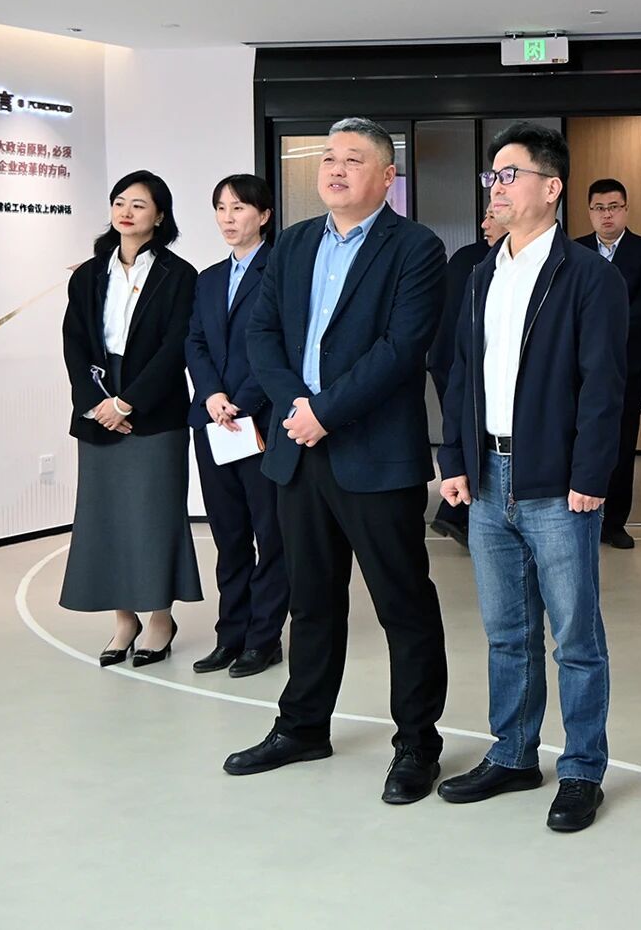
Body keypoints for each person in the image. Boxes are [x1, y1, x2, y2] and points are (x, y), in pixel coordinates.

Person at [223, 117, 451, 811]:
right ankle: (302, 727)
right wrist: (297, 407)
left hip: (374, 455)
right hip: (299, 450)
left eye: (353, 159)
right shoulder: (293, 244)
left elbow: (402, 347)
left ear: (387, 177)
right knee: (311, 601)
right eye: (328, 158)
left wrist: (326, 411)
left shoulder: (415, 247)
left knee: (402, 605)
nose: (336, 169)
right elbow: (261, 332)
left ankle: (417, 744)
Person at [436, 125, 627, 833]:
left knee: (575, 637)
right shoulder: (482, 273)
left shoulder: (589, 277)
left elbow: (603, 385)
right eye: (493, 175)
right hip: (486, 475)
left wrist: (590, 473)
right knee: (506, 631)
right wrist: (454, 460)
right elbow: (459, 372)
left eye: (510, 173)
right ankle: (513, 753)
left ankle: (581, 768)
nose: (497, 186)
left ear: (551, 187)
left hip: (555, 480)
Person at [59, 170, 202, 665]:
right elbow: (74, 343)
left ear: (159, 216)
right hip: (98, 404)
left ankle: (160, 617)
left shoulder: (179, 275)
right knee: (107, 516)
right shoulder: (88, 274)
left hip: (154, 407)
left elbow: (176, 347)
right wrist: (98, 403)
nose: (126, 211)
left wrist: (128, 403)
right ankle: (124, 620)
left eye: (139, 205)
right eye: (120, 202)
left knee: (155, 514)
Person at [184, 173, 287, 678]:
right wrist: (212, 396)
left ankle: (264, 639)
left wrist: (240, 401)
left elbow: (278, 346)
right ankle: (231, 635)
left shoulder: (280, 272)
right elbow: (195, 342)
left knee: (270, 534)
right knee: (228, 535)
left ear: (263, 215)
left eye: (239, 208)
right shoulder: (207, 279)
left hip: (260, 421)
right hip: (213, 422)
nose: (228, 218)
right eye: (221, 208)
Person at [578, 178, 641, 550]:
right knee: (580, 440)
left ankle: (614, 523)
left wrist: (605, 326)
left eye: (613, 207)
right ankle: (580, 516)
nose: (606, 215)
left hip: (629, 362)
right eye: (599, 208)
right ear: (590, 212)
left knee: (621, 443)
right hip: (579, 366)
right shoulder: (574, 249)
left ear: (625, 209)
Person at [427, 209, 503, 548]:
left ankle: (453, 512)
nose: (485, 224)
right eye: (486, 215)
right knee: (471, 437)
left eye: (491, 217)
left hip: (447, 362)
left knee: (462, 433)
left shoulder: (468, 257)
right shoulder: (479, 261)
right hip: (462, 366)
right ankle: (459, 512)